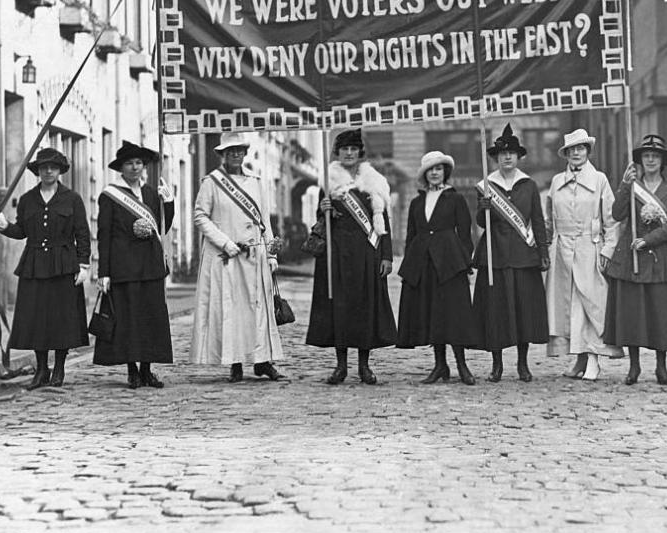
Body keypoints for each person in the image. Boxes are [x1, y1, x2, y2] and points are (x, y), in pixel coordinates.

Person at [191, 132, 285, 383]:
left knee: (258, 310)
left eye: (239, 150)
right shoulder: (211, 182)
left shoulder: (255, 182)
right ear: (222, 154)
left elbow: (264, 220)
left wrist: (271, 253)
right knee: (231, 310)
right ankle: (234, 363)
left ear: (245, 153)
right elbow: (200, 216)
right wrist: (226, 242)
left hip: (255, 256)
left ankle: (263, 361)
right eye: (230, 150)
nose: (235, 154)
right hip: (227, 256)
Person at [0, 148, 90, 389]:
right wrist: (4, 225)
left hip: (64, 266)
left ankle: (59, 368)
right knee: (36, 318)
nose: (48, 171)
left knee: (61, 319)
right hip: (34, 265)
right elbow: (21, 231)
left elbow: (82, 234)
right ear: (37, 171)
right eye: (44, 167)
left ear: (59, 171)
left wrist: (84, 265)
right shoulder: (27, 199)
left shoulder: (72, 199)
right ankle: (41, 370)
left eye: (53, 167)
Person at [306, 128, 396, 384]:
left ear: (359, 153)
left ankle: (364, 366)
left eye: (353, 149)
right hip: (337, 255)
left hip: (367, 254)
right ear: (338, 152)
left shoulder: (374, 181)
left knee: (365, 309)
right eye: (344, 149)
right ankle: (341, 365)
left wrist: (386, 256)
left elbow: (383, 220)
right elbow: (320, 224)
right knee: (340, 309)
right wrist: (322, 209)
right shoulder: (329, 180)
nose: (348, 153)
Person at [603, 134, 667, 385]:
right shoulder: (631, 186)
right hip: (631, 256)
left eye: (655, 156)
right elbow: (617, 214)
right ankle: (634, 367)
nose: (651, 160)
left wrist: (649, 240)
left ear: (662, 161)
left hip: (660, 258)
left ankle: (661, 367)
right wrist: (623, 185)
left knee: (660, 314)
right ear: (640, 160)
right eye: (646, 156)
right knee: (633, 312)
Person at [95, 141, 175, 389]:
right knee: (128, 319)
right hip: (124, 266)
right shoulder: (110, 195)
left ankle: (147, 369)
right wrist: (104, 272)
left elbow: (162, 227)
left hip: (150, 265)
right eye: (129, 163)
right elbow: (104, 234)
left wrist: (169, 203)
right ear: (121, 168)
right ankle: (132, 370)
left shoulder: (152, 193)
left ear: (144, 166)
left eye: (139, 163)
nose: (134, 167)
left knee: (150, 317)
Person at [472, 123, 549, 382]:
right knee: (496, 312)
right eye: (502, 154)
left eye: (512, 154)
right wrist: (482, 209)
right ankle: (497, 364)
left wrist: (543, 251)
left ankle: (523, 364)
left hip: (523, 257)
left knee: (523, 312)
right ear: (495, 158)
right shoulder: (486, 185)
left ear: (518, 157)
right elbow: (481, 224)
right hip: (495, 257)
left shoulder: (528, 185)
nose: (507, 158)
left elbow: (537, 220)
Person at [397, 151, 481, 385]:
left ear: (445, 173)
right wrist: (409, 265)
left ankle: (462, 365)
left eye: (439, 169)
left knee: (454, 314)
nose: (435, 173)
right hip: (423, 262)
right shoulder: (417, 202)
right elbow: (411, 235)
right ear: (424, 174)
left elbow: (465, 232)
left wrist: (465, 261)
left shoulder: (455, 199)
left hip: (450, 263)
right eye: (430, 170)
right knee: (433, 314)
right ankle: (440, 365)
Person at [544, 128, 621, 381]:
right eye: (571, 149)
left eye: (581, 148)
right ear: (565, 154)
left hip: (591, 247)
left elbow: (612, 219)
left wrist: (608, 250)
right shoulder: (556, 182)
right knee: (567, 306)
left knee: (591, 304)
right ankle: (578, 358)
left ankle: (593, 359)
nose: (576, 153)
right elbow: (548, 220)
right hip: (562, 249)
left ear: (588, 151)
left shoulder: (599, 179)